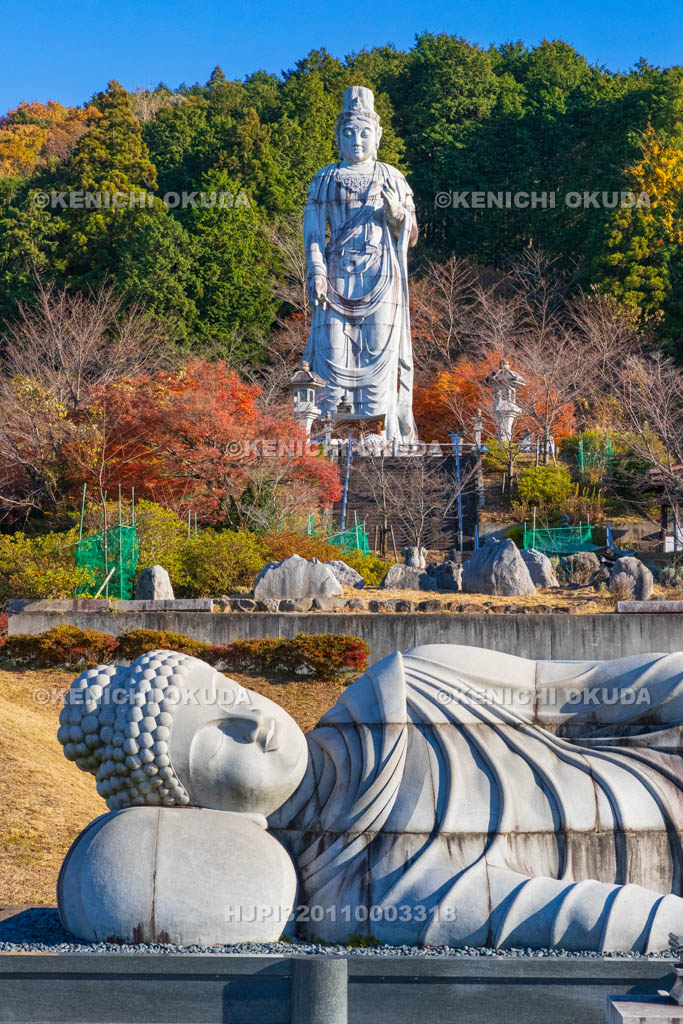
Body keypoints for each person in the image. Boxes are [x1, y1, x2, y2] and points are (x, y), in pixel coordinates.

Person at [303, 86, 418, 444]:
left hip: (382, 274)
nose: (357, 140)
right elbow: (311, 234)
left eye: (365, 132)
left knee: (378, 348)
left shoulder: (393, 177)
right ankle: (327, 431)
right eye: (349, 132)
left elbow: (411, 233)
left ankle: (381, 432)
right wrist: (316, 272)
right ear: (338, 135)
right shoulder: (324, 179)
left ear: (378, 135)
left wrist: (397, 214)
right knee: (333, 350)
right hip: (336, 275)